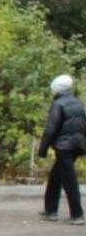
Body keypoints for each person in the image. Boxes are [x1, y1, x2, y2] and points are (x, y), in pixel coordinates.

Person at [38, 74, 85, 225]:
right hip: (77, 145)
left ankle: (77, 215)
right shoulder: (77, 102)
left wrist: (42, 149)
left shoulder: (58, 104)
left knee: (69, 181)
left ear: (56, 89)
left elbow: (51, 128)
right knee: (55, 178)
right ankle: (50, 210)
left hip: (64, 147)